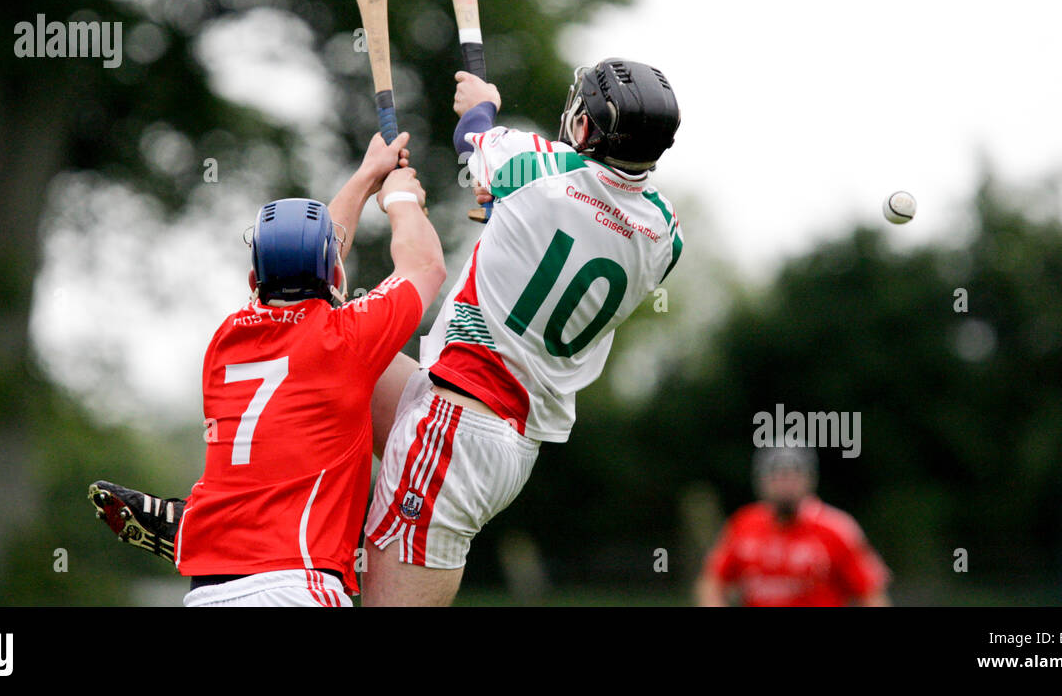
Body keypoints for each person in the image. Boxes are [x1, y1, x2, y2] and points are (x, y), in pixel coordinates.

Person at [360, 59, 683, 606]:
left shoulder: (541, 166)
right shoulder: (664, 232)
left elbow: (473, 132)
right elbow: (578, 224)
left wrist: (482, 100)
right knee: (337, 359)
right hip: (505, 433)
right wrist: (514, 216)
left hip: (457, 422)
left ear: (587, 127)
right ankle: (273, 529)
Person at [91, 133, 446, 606]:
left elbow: (319, 264)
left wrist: (366, 177)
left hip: (208, 594)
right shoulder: (345, 338)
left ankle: (197, 519)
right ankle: (192, 517)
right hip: (297, 585)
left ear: (254, 278)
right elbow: (424, 264)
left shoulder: (225, 342)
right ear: (335, 273)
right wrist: (400, 196)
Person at [695, 447, 891, 607]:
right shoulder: (743, 525)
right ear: (760, 480)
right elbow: (712, 582)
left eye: (793, 474)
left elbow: (871, 593)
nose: (784, 483)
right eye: (775, 475)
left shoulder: (837, 528)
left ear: (810, 478)